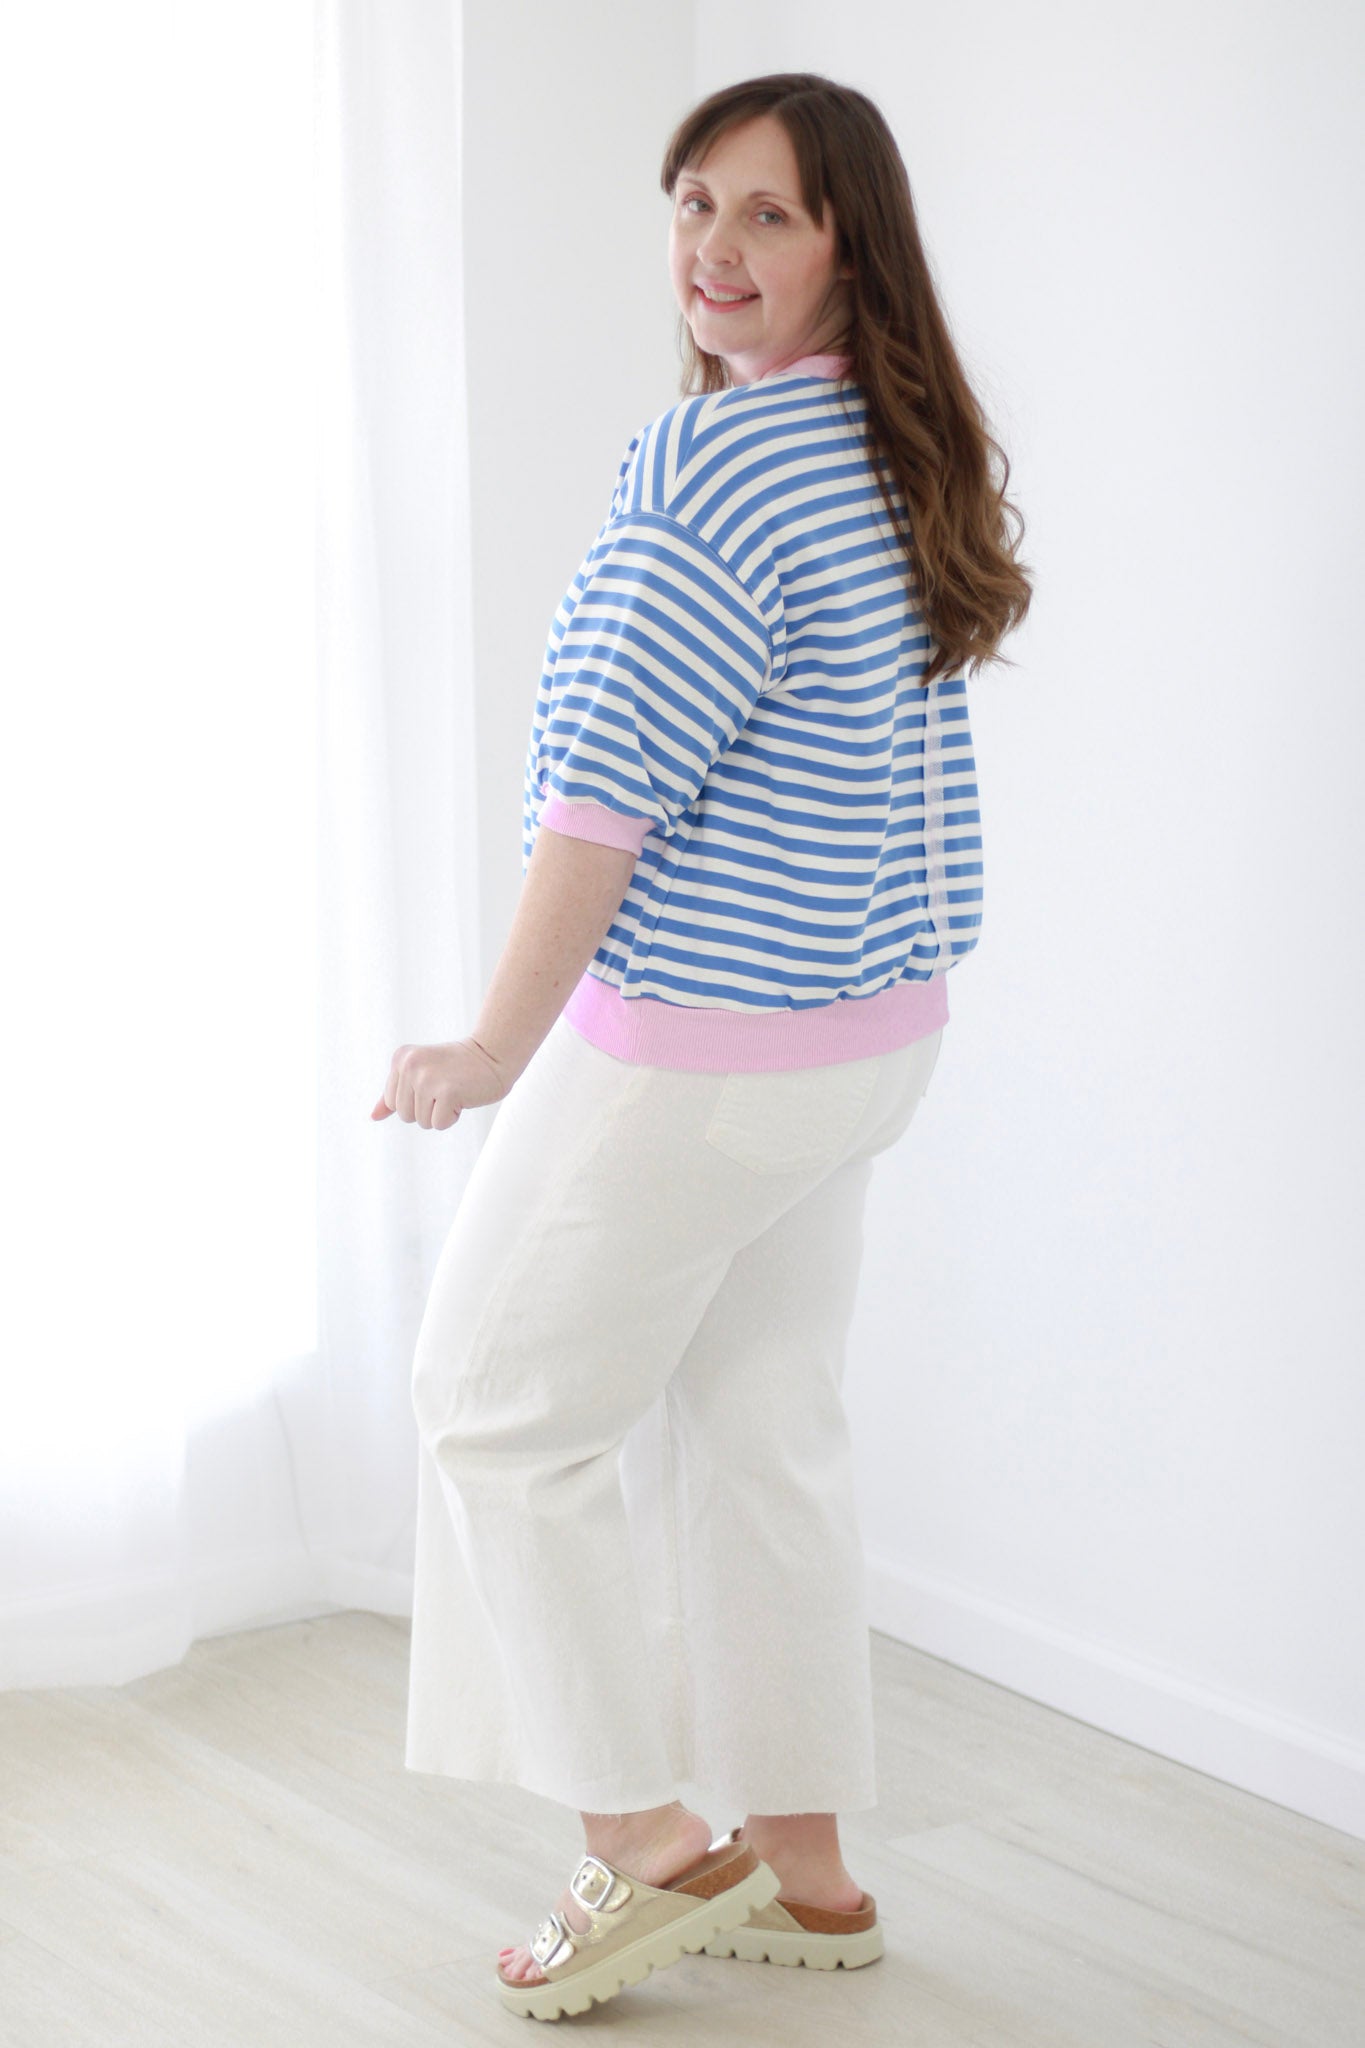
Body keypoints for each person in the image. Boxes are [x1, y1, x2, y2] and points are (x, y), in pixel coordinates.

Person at [375, 71, 1032, 2023]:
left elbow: (604, 791)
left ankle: (651, 1844)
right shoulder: (896, 453)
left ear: (848, 248)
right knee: (764, 1434)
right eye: (691, 204)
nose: (711, 250)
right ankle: (807, 1879)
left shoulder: (715, 465)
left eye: (765, 215)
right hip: (864, 1042)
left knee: (491, 1406)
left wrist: (493, 1044)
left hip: (705, 1051)